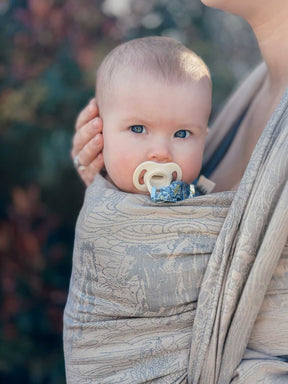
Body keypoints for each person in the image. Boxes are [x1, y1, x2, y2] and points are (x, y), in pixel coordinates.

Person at [66, 0, 288, 383]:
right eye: (137, 129)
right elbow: (168, 218)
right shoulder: (252, 89)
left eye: (182, 134)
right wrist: (111, 195)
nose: (160, 152)